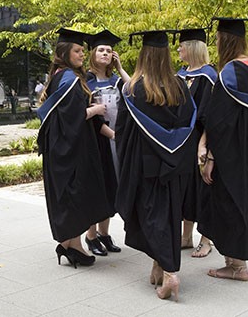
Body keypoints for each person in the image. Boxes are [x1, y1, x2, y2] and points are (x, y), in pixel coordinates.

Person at [114, 30, 198, 302]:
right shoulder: (180, 86)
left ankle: (171, 274)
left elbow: (124, 133)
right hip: (176, 168)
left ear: (143, 56)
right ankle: (159, 265)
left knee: (152, 218)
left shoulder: (136, 89)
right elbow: (188, 127)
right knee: (169, 216)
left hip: (147, 168)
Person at [199, 17, 248, 282]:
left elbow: (218, 118)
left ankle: (237, 266)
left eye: (219, 39)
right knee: (244, 203)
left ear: (226, 40)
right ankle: (236, 262)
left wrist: (210, 155)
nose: (218, 43)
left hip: (233, 151)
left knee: (228, 201)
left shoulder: (230, 71)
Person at [37, 28, 113, 269]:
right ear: (65, 52)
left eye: (82, 50)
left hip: (64, 147)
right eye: (78, 50)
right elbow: (74, 116)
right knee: (74, 194)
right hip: (68, 150)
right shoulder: (69, 79)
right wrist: (96, 110)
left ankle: (69, 245)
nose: (82, 54)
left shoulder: (61, 75)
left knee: (70, 194)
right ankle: (75, 245)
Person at [83, 29, 129, 257]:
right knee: (98, 188)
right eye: (101, 50)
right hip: (99, 141)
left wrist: (121, 69)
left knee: (112, 187)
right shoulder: (85, 81)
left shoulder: (116, 80)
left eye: (109, 51)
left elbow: (135, 93)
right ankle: (90, 236)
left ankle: (104, 233)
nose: (105, 53)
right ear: (92, 54)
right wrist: (112, 134)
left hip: (116, 140)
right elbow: (89, 117)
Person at [175, 28, 218, 259]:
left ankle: (206, 239)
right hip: (182, 140)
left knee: (203, 189)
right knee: (187, 189)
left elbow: (212, 115)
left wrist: (204, 144)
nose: (179, 49)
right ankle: (185, 236)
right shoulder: (181, 74)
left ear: (192, 47)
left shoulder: (209, 76)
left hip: (201, 139)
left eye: (182, 45)